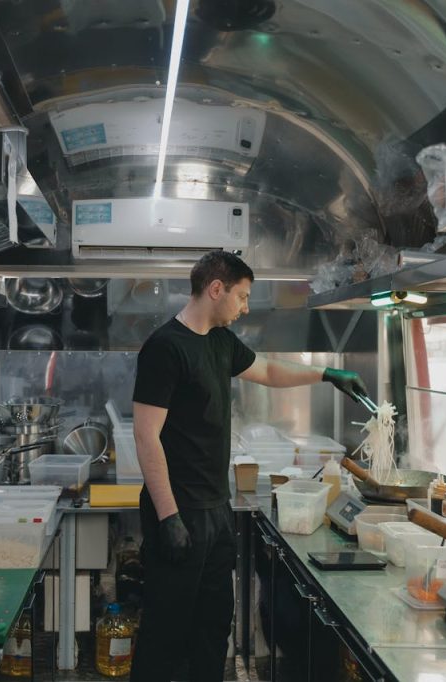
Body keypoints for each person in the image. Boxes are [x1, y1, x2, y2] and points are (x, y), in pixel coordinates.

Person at [130, 251, 367, 682]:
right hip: (179, 512)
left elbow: (271, 370)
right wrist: (168, 517)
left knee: (213, 626)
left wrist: (328, 375)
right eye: (241, 296)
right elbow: (146, 436)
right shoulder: (165, 348)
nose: (244, 308)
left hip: (217, 508)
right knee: (167, 631)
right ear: (215, 289)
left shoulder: (220, 342)